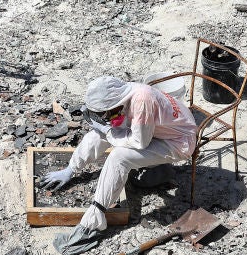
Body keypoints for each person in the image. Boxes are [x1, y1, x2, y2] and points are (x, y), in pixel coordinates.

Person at [45, 76, 197, 255]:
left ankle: (93, 223)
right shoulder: (123, 94)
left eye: (104, 112)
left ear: (114, 103)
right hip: (159, 129)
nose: (104, 117)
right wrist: (71, 168)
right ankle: (70, 170)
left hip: (179, 141)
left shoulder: (141, 101)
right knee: (100, 133)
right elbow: (108, 132)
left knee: (119, 157)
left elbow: (140, 142)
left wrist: (109, 132)